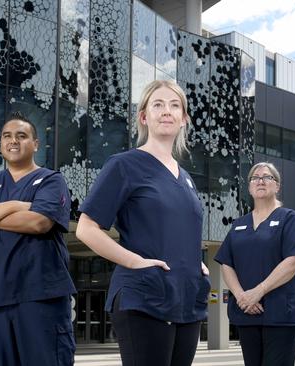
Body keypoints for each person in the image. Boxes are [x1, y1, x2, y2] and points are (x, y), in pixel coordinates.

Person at [75, 80, 210, 366]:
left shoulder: (186, 178)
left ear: (184, 119)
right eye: (158, 104)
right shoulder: (124, 165)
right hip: (144, 297)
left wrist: (194, 262)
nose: (167, 111)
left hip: (186, 299)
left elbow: (178, 229)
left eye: (175, 106)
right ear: (144, 116)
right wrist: (135, 262)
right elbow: (86, 228)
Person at [0, 112, 76, 366]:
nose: (13, 141)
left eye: (22, 136)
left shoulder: (51, 180)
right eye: (7, 136)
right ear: (0, 143)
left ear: (35, 144)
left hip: (40, 298)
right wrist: (13, 205)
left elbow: (38, 222)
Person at [214, 162, 295, 366]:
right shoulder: (239, 225)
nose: (260, 181)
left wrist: (257, 292)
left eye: (267, 177)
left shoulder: (288, 218)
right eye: (255, 178)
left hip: (280, 315)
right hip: (247, 313)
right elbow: (226, 263)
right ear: (249, 188)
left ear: (277, 186)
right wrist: (242, 296)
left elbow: (293, 262)